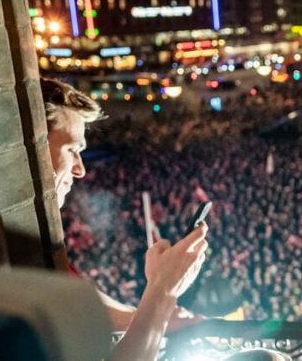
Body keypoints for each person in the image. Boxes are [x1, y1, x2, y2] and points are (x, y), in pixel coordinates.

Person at [41, 78, 210, 361]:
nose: (81, 169)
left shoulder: (42, 249)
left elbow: (111, 315)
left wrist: (158, 308)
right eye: (72, 150)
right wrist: (162, 290)